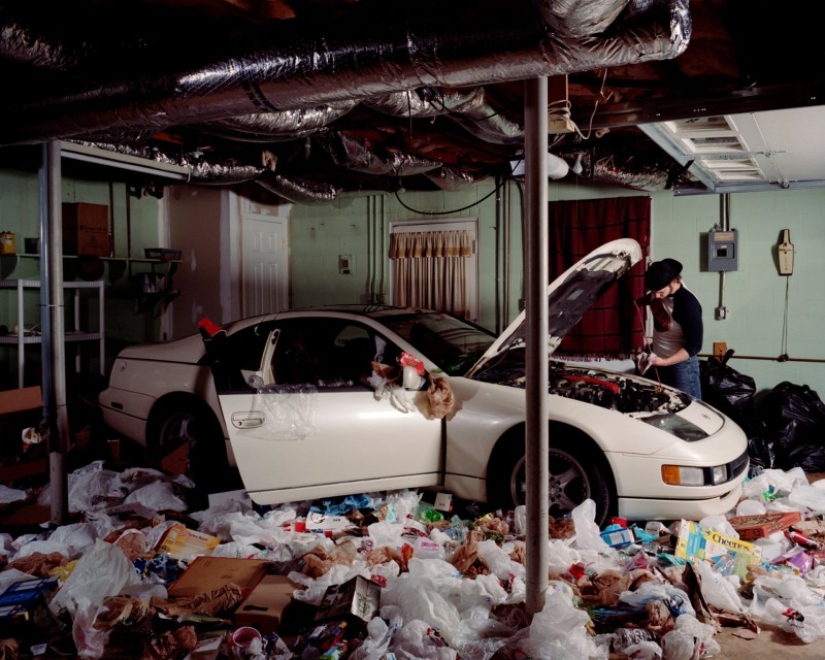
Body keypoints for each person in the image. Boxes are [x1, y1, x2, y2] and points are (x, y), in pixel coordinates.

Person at [643, 258, 703, 399]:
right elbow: (652, 297)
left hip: (681, 368)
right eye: (653, 291)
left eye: (659, 292)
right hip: (661, 361)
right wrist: (636, 303)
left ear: (673, 281)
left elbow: (695, 346)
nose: (656, 296)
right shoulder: (661, 290)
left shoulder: (687, 304)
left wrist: (665, 362)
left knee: (690, 410)